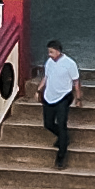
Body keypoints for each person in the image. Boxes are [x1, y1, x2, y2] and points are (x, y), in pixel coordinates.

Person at [39, 38, 81, 169]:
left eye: (51, 52)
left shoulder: (69, 64)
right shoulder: (49, 62)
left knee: (62, 124)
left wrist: (78, 98)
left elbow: (76, 81)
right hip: (49, 96)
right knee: (48, 124)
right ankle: (64, 137)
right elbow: (46, 77)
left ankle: (61, 156)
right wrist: (39, 90)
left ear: (58, 51)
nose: (49, 55)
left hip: (63, 96)